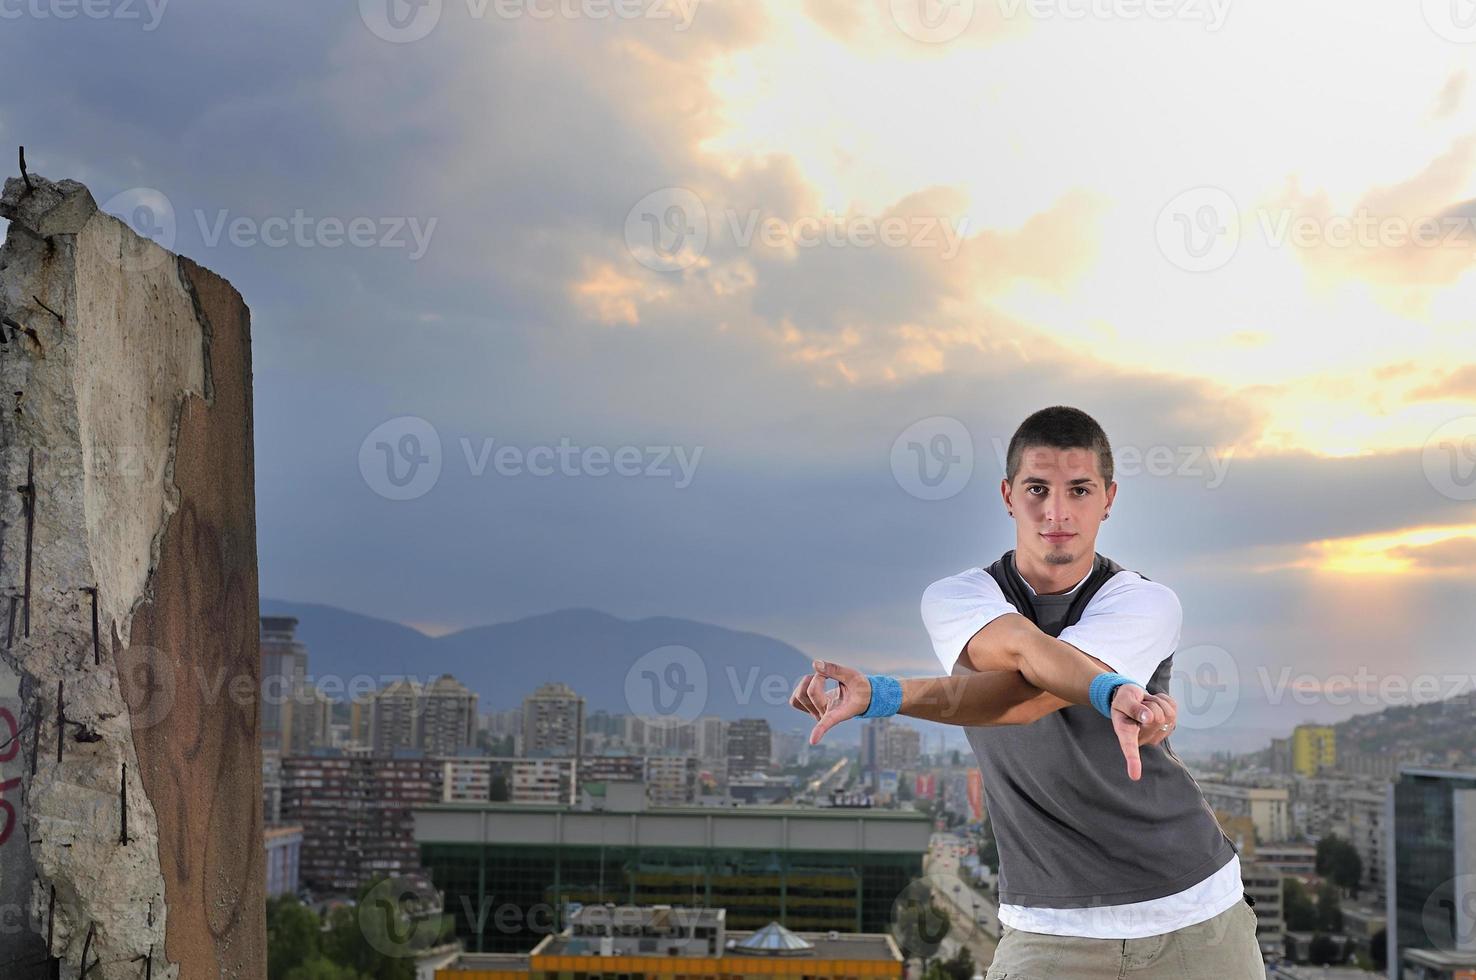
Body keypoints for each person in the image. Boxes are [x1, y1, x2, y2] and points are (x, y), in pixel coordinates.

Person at [789, 406, 1264, 979]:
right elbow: (1017, 667)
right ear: (1008, 495)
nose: (1057, 512)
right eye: (1037, 488)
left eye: (1080, 490)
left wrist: (887, 694)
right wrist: (1111, 690)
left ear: (1108, 498)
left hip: (1194, 917)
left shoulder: (1144, 602)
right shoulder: (958, 597)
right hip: (1048, 930)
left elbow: (1031, 698)